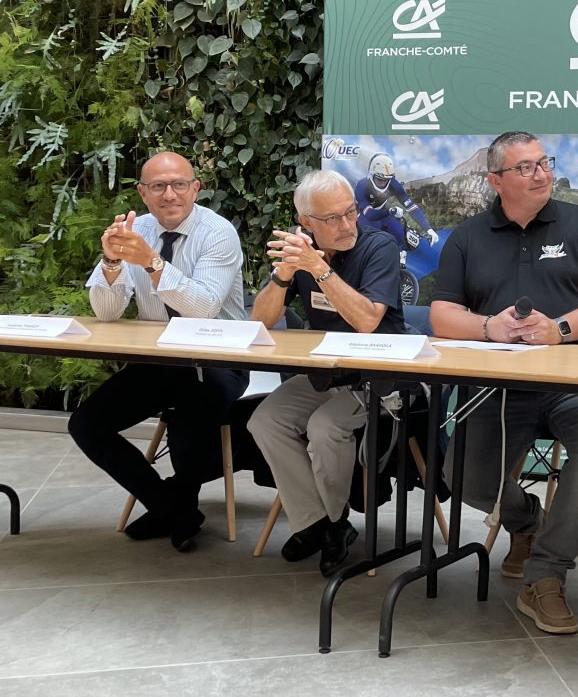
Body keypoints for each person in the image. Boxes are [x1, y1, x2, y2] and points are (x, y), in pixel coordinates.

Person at [431, 131, 578, 635]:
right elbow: (440, 313)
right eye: (526, 167)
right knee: (463, 478)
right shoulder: (468, 236)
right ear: (496, 180)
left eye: (544, 163)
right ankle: (526, 521)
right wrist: (488, 327)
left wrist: (559, 331)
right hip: (499, 386)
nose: (541, 173)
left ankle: (546, 577)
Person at [68, 152, 247, 552]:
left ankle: (178, 507)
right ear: (143, 193)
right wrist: (112, 261)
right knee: (86, 425)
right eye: (158, 186)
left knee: (190, 414)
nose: (170, 194)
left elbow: (203, 308)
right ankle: (173, 507)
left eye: (179, 184)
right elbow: (107, 312)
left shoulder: (217, 233)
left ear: (195, 188)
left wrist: (150, 261)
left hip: (219, 358)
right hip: (159, 360)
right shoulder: (134, 231)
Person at [247, 170, 405, 577]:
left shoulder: (378, 247)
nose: (347, 224)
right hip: (326, 372)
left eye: (350, 212)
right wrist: (284, 274)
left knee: (324, 427)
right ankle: (319, 523)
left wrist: (320, 269)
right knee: (265, 420)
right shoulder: (301, 253)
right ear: (306, 224)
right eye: (332, 219)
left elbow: (369, 320)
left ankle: (331, 523)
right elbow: (262, 320)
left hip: (379, 375)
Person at [355, 152, 439, 248]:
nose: (383, 183)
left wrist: (429, 229)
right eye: (379, 180)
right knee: (366, 241)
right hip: (364, 217)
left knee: (400, 237)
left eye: (386, 180)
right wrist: (390, 211)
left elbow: (411, 207)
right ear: (371, 174)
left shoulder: (393, 183)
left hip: (383, 213)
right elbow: (370, 215)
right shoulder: (362, 186)